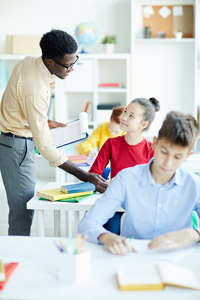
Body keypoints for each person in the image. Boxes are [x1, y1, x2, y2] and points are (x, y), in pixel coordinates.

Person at [0, 29, 107, 236]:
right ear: (50, 62)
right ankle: (18, 261)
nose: (72, 69)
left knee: (21, 209)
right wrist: (86, 176)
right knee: (22, 211)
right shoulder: (36, 88)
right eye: (68, 65)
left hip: (14, 139)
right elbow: (45, 147)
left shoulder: (30, 61)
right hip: (17, 145)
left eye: (75, 61)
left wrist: (43, 121)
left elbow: (14, 100)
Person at [78, 111, 200, 255]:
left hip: (177, 261)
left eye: (178, 157)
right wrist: (107, 237)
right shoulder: (127, 178)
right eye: (164, 151)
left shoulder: (194, 185)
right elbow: (87, 223)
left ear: (187, 156)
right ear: (154, 143)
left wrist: (194, 234)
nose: (168, 163)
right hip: (132, 256)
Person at [89, 97, 160, 234]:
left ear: (143, 124)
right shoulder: (111, 143)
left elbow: (156, 184)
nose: (124, 117)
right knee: (109, 231)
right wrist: (104, 183)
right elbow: (94, 174)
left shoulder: (152, 150)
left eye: (131, 116)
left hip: (141, 205)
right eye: (125, 111)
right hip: (116, 202)